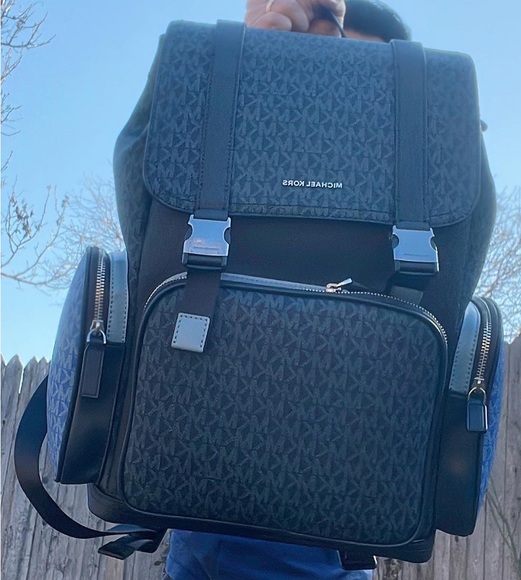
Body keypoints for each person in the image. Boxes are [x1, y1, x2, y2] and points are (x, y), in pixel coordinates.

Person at [164, 1, 409, 578]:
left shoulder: (408, 222)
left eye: (367, 84)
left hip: (333, 559)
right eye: (322, 70)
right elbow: (151, 231)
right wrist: (246, 64)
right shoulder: (232, 195)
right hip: (202, 543)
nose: (339, 95)